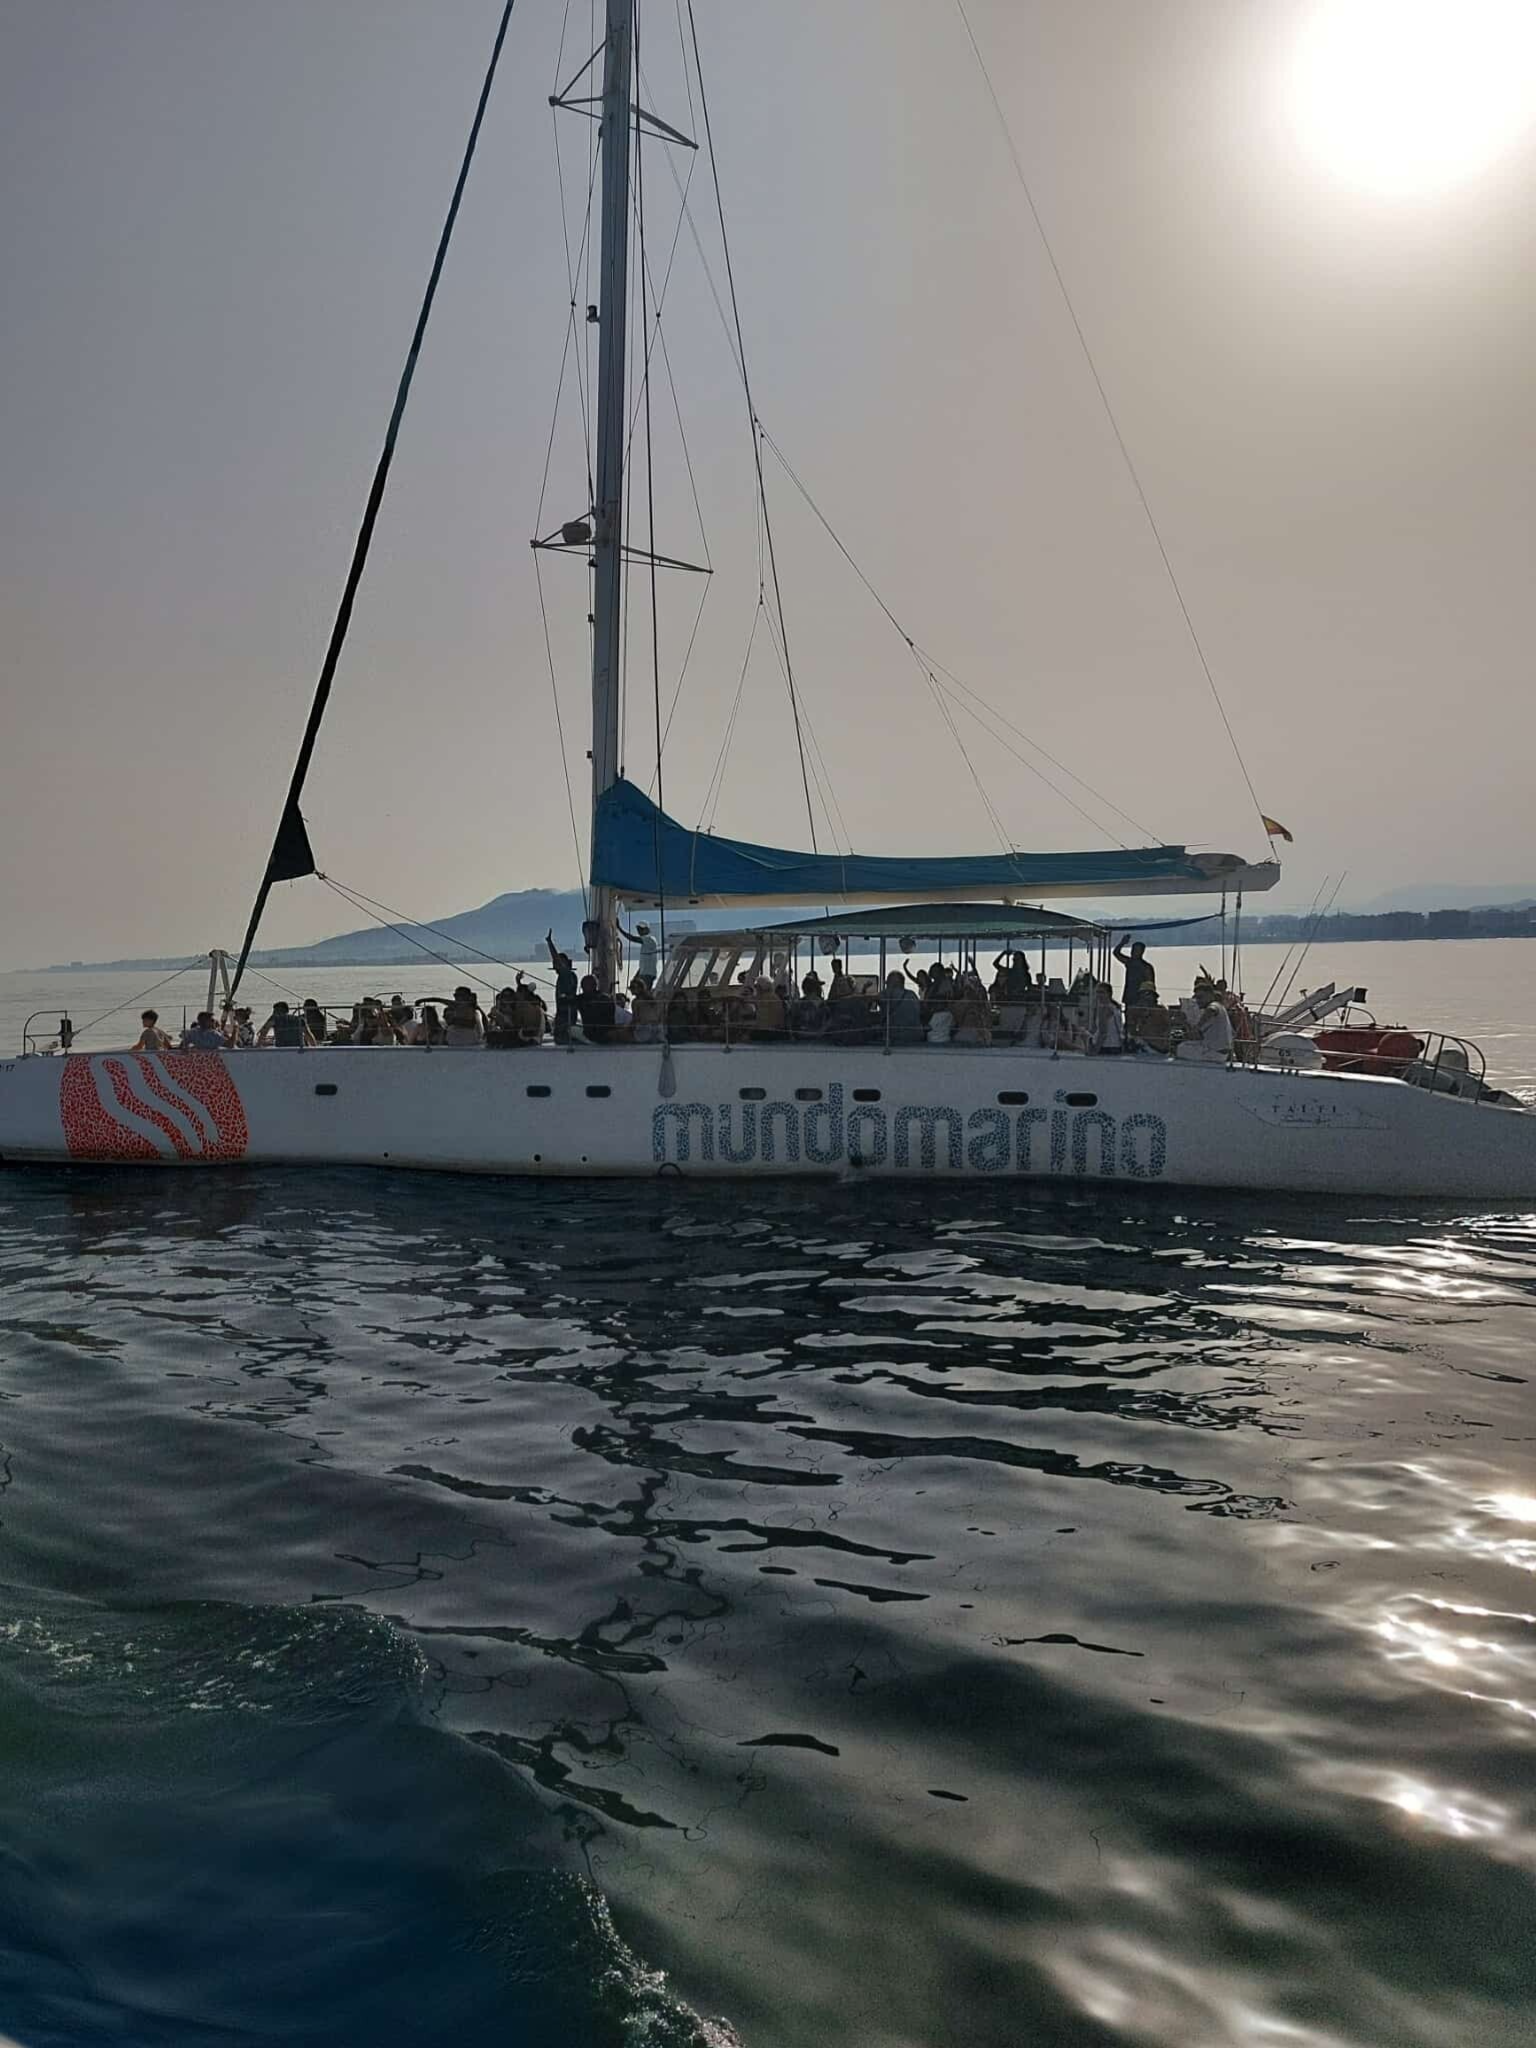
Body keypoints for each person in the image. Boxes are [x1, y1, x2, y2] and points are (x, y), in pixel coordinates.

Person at [546, 931, 579, 1042]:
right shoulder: (565, 976)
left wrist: (550, 943)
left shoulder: (568, 975)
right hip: (563, 1015)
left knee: (563, 1039)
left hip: (567, 1017)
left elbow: (558, 961)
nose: (555, 966)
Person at [880, 971, 924, 1046]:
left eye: (887, 982)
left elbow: (872, 999)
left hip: (895, 1037)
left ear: (893, 982)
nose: (886, 984)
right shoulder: (912, 994)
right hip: (915, 1036)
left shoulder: (887, 993)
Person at [1113, 937, 1156, 1009]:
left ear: (1142, 952)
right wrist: (1122, 943)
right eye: (1133, 950)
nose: (1133, 952)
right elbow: (1116, 953)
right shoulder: (1129, 962)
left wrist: (1148, 1000)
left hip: (1141, 999)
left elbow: (1150, 986)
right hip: (1129, 997)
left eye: (1136, 950)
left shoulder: (1146, 967)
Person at [575, 974, 615, 1044]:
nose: (583, 988)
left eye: (585, 985)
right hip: (607, 1034)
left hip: (592, 1034)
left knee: (570, 1029)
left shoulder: (581, 999)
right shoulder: (606, 998)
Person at [620, 921, 659, 985]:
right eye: (638, 929)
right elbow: (645, 962)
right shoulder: (646, 943)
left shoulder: (650, 939)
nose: (639, 931)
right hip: (644, 973)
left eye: (641, 929)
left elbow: (632, 938)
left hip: (648, 975)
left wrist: (619, 928)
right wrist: (638, 974)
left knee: (642, 991)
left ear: (647, 930)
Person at [790, 972, 828, 1039]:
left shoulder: (797, 1004)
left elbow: (790, 1022)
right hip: (817, 1038)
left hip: (800, 1036)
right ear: (815, 989)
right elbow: (827, 1023)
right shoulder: (822, 1005)